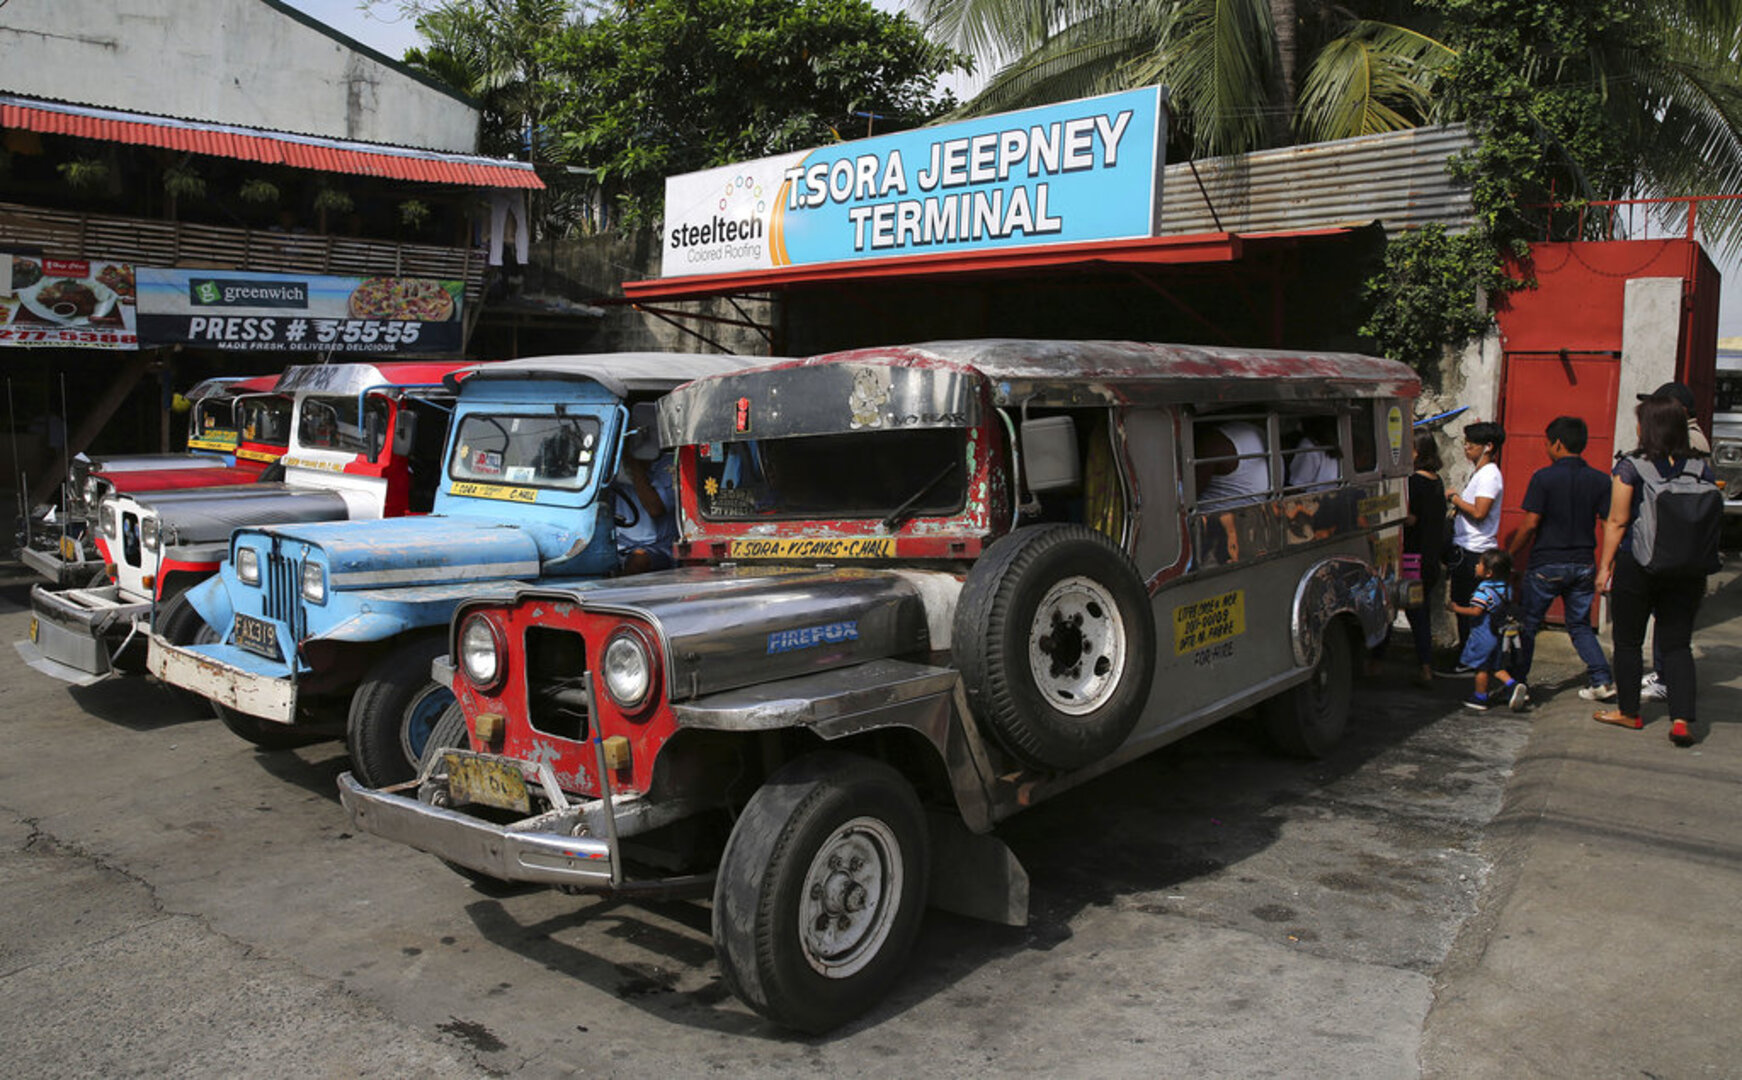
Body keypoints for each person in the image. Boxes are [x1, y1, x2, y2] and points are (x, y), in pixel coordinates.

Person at [1593, 395, 1715, 746]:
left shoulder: (1631, 466)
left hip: (1638, 564)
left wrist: (1605, 568)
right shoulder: (1701, 467)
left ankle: (1628, 712)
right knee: (1678, 646)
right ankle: (1681, 720)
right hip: (1688, 569)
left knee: (1628, 641)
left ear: (1647, 427)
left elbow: (1616, 521)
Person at [1505, 416, 1614, 703]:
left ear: (1557, 444)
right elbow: (1608, 524)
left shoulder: (1544, 478)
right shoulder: (1601, 480)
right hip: (1583, 562)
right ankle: (1602, 679)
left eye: (1546, 442)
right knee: (1578, 625)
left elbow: (1529, 524)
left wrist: (1509, 555)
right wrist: (1607, 564)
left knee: (1528, 623)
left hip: (1546, 563)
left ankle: (1518, 682)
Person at [1633, 380, 1709, 703]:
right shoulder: (1690, 436)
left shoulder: (1689, 441)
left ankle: (1666, 679)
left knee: (1672, 625)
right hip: (1680, 545)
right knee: (1671, 624)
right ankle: (1666, 677)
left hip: (1675, 545)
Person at [1444, 420, 1505, 653]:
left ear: (1488, 446)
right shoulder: (1479, 472)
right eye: (1466, 443)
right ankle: (1468, 653)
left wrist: (1455, 498)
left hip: (1474, 551)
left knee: (1469, 608)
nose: (1466, 448)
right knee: (1463, 605)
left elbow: (1480, 512)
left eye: (1471, 444)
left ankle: (1471, 658)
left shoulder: (1489, 475)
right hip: (1466, 548)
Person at [1446, 549, 1527, 711]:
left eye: (1480, 564)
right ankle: (1513, 685)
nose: (1476, 566)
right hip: (1499, 633)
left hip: (1483, 634)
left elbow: (1476, 611)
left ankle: (1480, 697)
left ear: (1489, 573)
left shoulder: (1483, 591)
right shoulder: (1506, 588)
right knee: (1496, 666)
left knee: (1481, 668)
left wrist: (1456, 608)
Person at [1401, 429, 1447, 686]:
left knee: (1414, 613)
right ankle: (1425, 664)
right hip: (1430, 558)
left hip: (1412, 559)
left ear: (1416, 452)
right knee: (1421, 612)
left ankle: (1425, 666)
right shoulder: (1436, 481)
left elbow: (1411, 519)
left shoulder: (1414, 482)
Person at [612, 403, 677, 574]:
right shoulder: (610, 462)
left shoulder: (668, 465)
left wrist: (634, 462)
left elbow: (655, 508)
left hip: (656, 545)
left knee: (638, 560)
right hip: (619, 542)